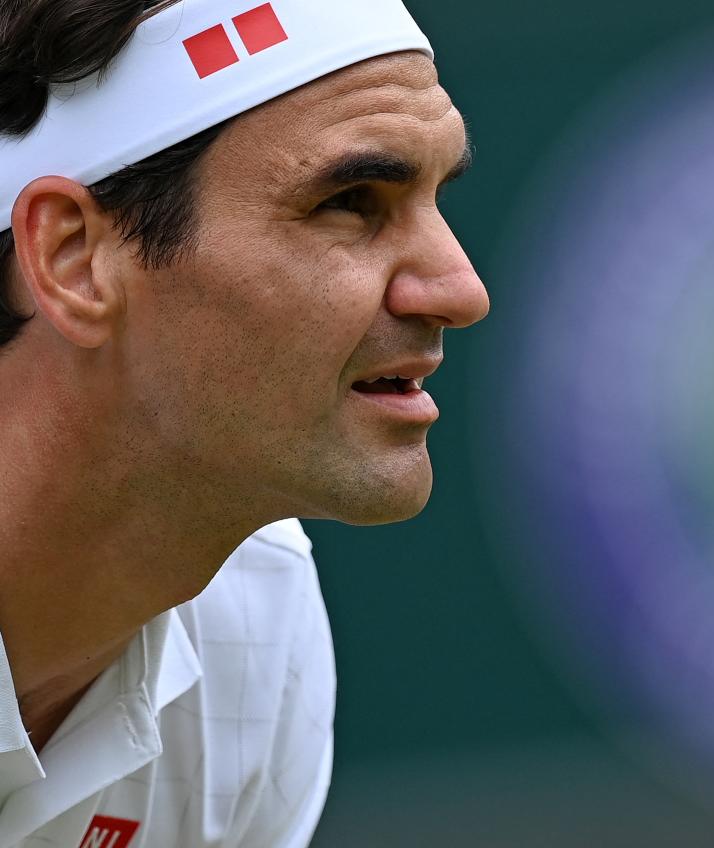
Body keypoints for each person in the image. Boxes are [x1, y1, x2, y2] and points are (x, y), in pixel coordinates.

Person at [0, 0, 489, 844]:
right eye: (350, 202)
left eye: (437, 198)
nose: (459, 290)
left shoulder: (259, 619)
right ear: (74, 258)